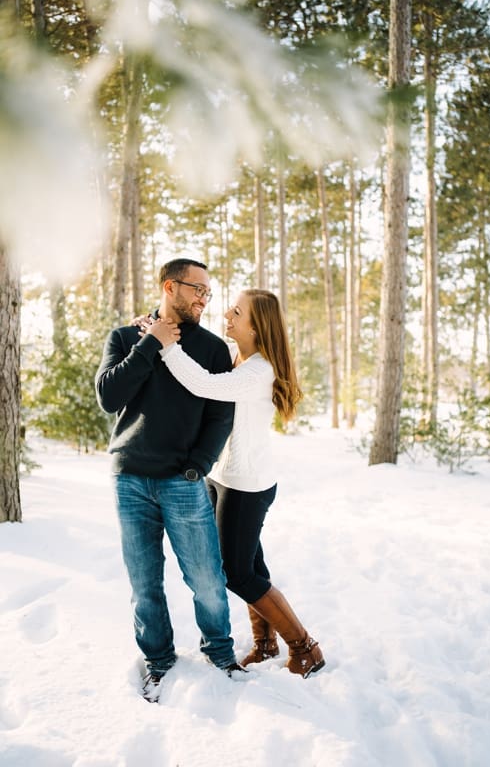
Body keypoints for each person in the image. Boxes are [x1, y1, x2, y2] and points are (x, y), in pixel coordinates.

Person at [139, 288, 325, 678]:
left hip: (247, 486)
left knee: (236, 573)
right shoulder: (235, 355)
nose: (228, 313)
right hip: (222, 478)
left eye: (237, 312)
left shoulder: (259, 370)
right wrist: (156, 330)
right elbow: (200, 356)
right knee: (250, 567)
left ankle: (305, 647)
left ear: (256, 328)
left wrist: (167, 349)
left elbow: (205, 384)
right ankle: (264, 643)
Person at [95, 258, 245, 702]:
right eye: (197, 289)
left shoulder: (214, 349)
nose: (204, 299)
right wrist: (151, 343)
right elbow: (109, 396)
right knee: (144, 582)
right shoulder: (125, 337)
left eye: (208, 293)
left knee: (205, 577)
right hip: (130, 479)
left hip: (183, 480)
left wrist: (200, 463)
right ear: (169, 286)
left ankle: (220, 654)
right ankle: (159, 661)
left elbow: (221, 411)